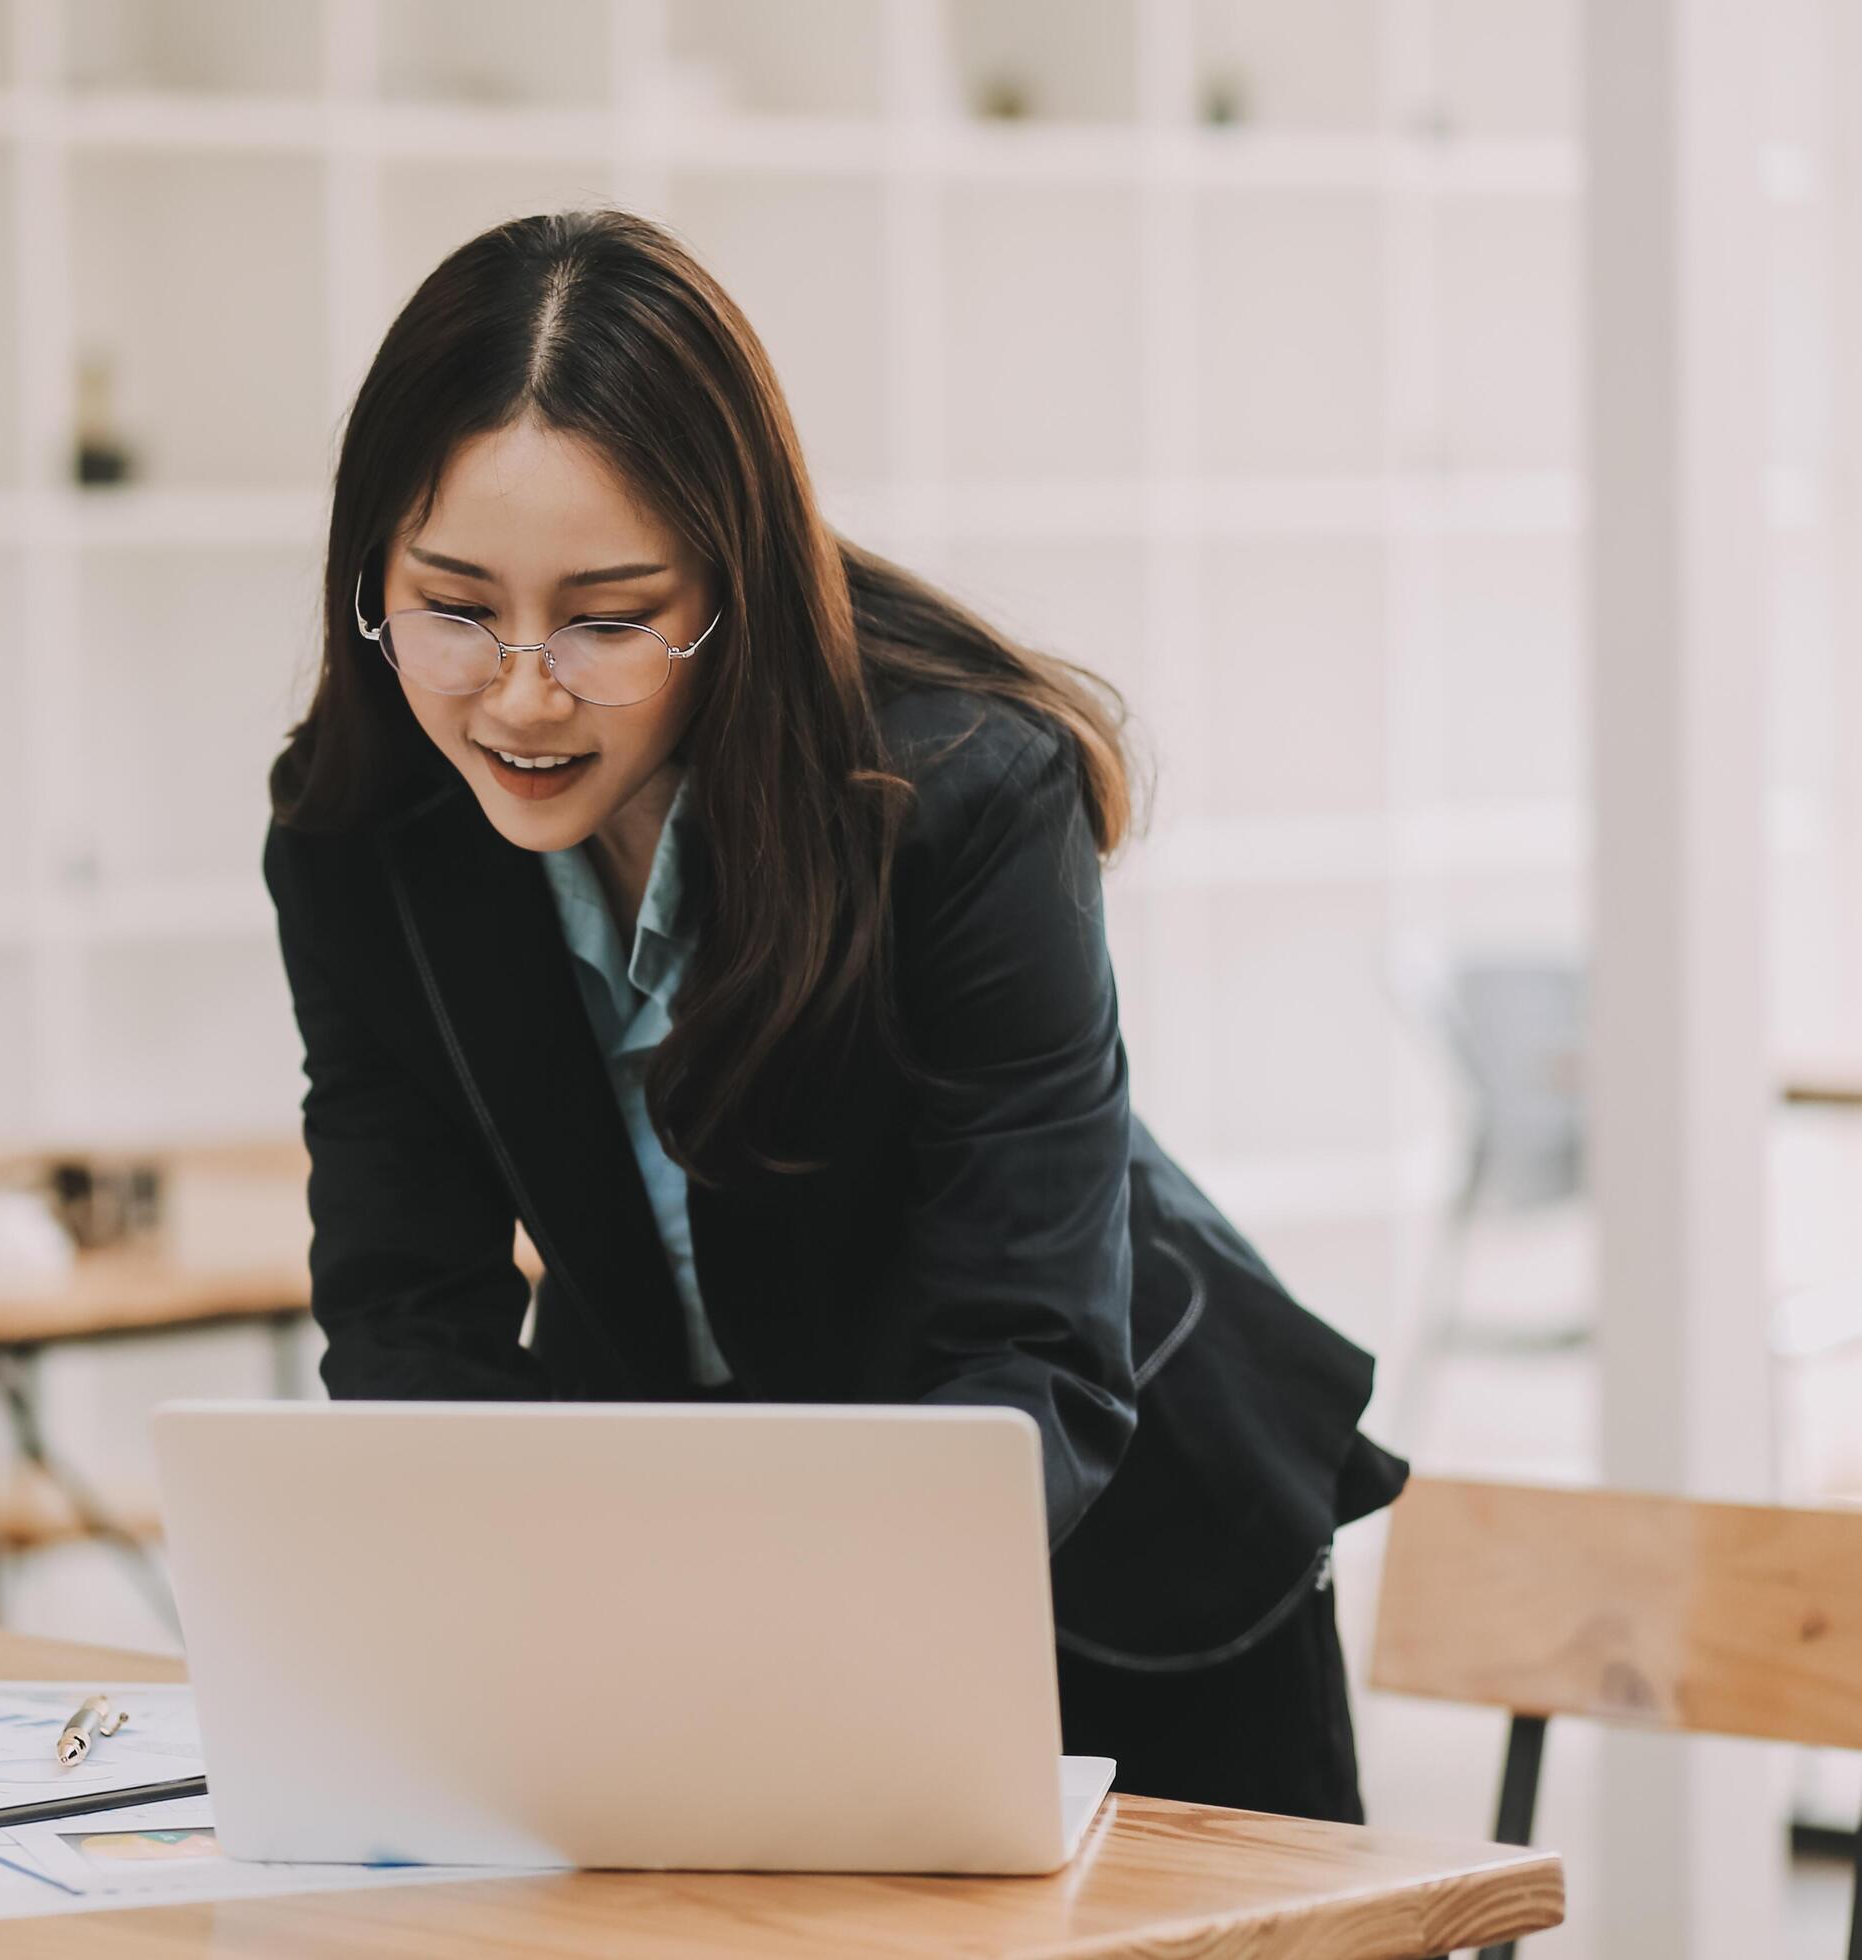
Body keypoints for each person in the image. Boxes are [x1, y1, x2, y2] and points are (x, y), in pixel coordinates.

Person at [263, 209, 1406, 1823]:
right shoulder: (357, 838)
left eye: (607, 616)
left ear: (732, 586)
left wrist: (798, 1630)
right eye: (455, 607)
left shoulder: (956, 791)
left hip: (1109, 1542)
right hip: (707, 1581)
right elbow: (404, 1313)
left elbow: (1030, 1348)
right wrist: (503, 1614)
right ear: (370, 577)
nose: (522, 693)